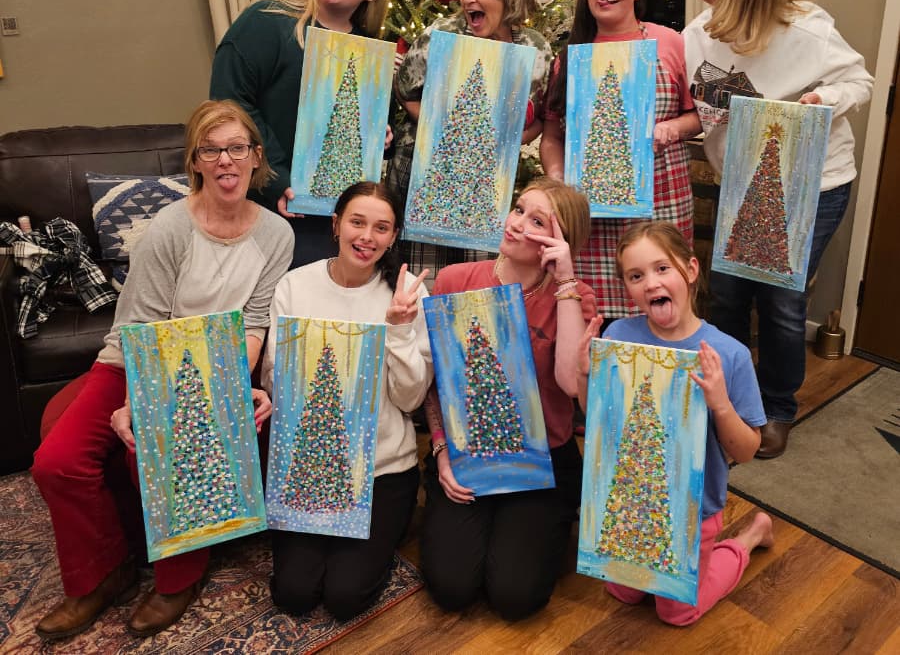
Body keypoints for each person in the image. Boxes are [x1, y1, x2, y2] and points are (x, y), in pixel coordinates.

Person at [30, 100, 293, 641]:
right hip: (136, 361)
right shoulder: (170, 229)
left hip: (216, 368)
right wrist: (144, 399)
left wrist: (221, 387)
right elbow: (140, 328)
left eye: (237, 148)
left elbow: (255, 327)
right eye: (211, 150)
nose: (226, 161)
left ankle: (180, 576)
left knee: (159, 455)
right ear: (195, 161)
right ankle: (104, 573)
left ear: (255, 157)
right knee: (56, 463)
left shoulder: (276, 236)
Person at [684, 0, 873, 458]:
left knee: (782, 302)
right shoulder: (698, 35)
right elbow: (701, 112)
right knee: (727, 295)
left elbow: (860, 80)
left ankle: (777, 406)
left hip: (814, 186)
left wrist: (819, 102)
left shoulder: (809, 32)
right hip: (742, 185)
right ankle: (728, 396)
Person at [576, 221, 773, 626]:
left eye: (662, 268)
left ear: (691, 270)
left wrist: (719, 403)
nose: (650, 283)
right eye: (636, 276)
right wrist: (584, 378)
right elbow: (597, 420)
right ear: (627, 288)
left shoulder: (728, 354)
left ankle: (748, 538)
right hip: (631, 504)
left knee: (676, 614)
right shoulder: (619, 336)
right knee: (623, 593)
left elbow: (747, 451)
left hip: (694, 512)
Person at [420, 177, 596, 620]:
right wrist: (440, 450)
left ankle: (546, 527)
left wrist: (567, 282)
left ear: (560, 241)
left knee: (515, 597)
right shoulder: (456, 280)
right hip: (465, 453)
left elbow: (569, 385)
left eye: (536, 221)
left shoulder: (575, 297)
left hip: (544, 461)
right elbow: (436, 384)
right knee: (452, 588)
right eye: (518, 209)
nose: (516, 223)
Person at [262, 181, 432, 621]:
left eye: (381, 227)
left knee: (344, 597)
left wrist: (396, 329)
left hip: (383, 471)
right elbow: (276, 381)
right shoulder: (294, 287)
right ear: (336, 224)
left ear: (394, 236)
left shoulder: (408, 293)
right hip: (308, 467)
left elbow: (411, 399)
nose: (367, 237)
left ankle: (390, 526)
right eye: (357, 222)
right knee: (294, 594)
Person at [210, 0, 393, 268]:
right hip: (267, 205)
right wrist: (276, 179)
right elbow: (229, 105)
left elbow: (367, 132)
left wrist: (378, 133)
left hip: (339, 216)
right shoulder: (268, 20)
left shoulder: (367, 53)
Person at [541, 0, 700, 321]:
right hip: (591, 218)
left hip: (660, 204)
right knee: (595, 319)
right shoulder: (569, 57)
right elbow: (551, 137)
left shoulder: (669, 43)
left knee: (662, 312)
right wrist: (560, 181)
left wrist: (672, 128)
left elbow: (696, 118)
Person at [389, 0, 555, 278]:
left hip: (487, 188)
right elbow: (405, 91)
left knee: (477, 283)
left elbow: (538, 118)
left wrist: (505, 140)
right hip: (426, 179)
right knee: (421, 286)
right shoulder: (442, 35)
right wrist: (450, 129)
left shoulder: (535, 51)